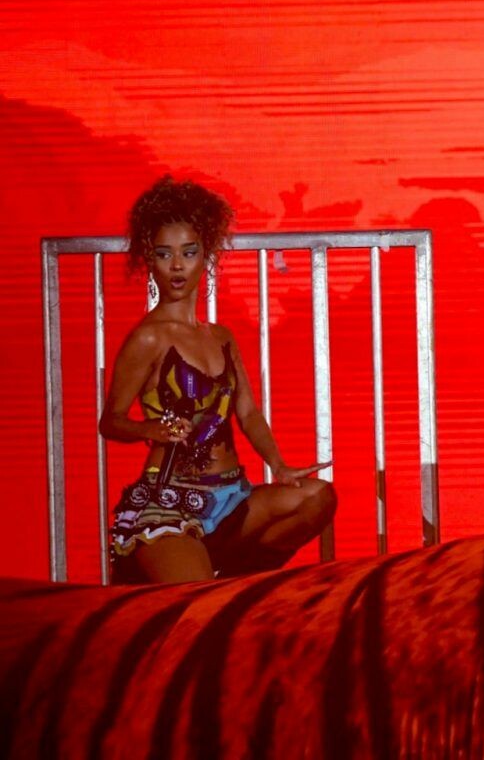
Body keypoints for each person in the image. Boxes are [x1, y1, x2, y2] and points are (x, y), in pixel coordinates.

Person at [100, 176, 336, 583]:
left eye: (189, 252)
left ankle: (234, 579)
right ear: (149, 259)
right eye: (164, 254)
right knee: (200, 603)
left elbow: (248, 413)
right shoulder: (148, 338)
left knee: (317, 498)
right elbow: (110, 421)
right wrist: (148, 429)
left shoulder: (221, 337)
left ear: (205, 256)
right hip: (170, 505)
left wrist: (278, 465)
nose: (177, 266)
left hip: (231, 499)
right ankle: (196, 573)